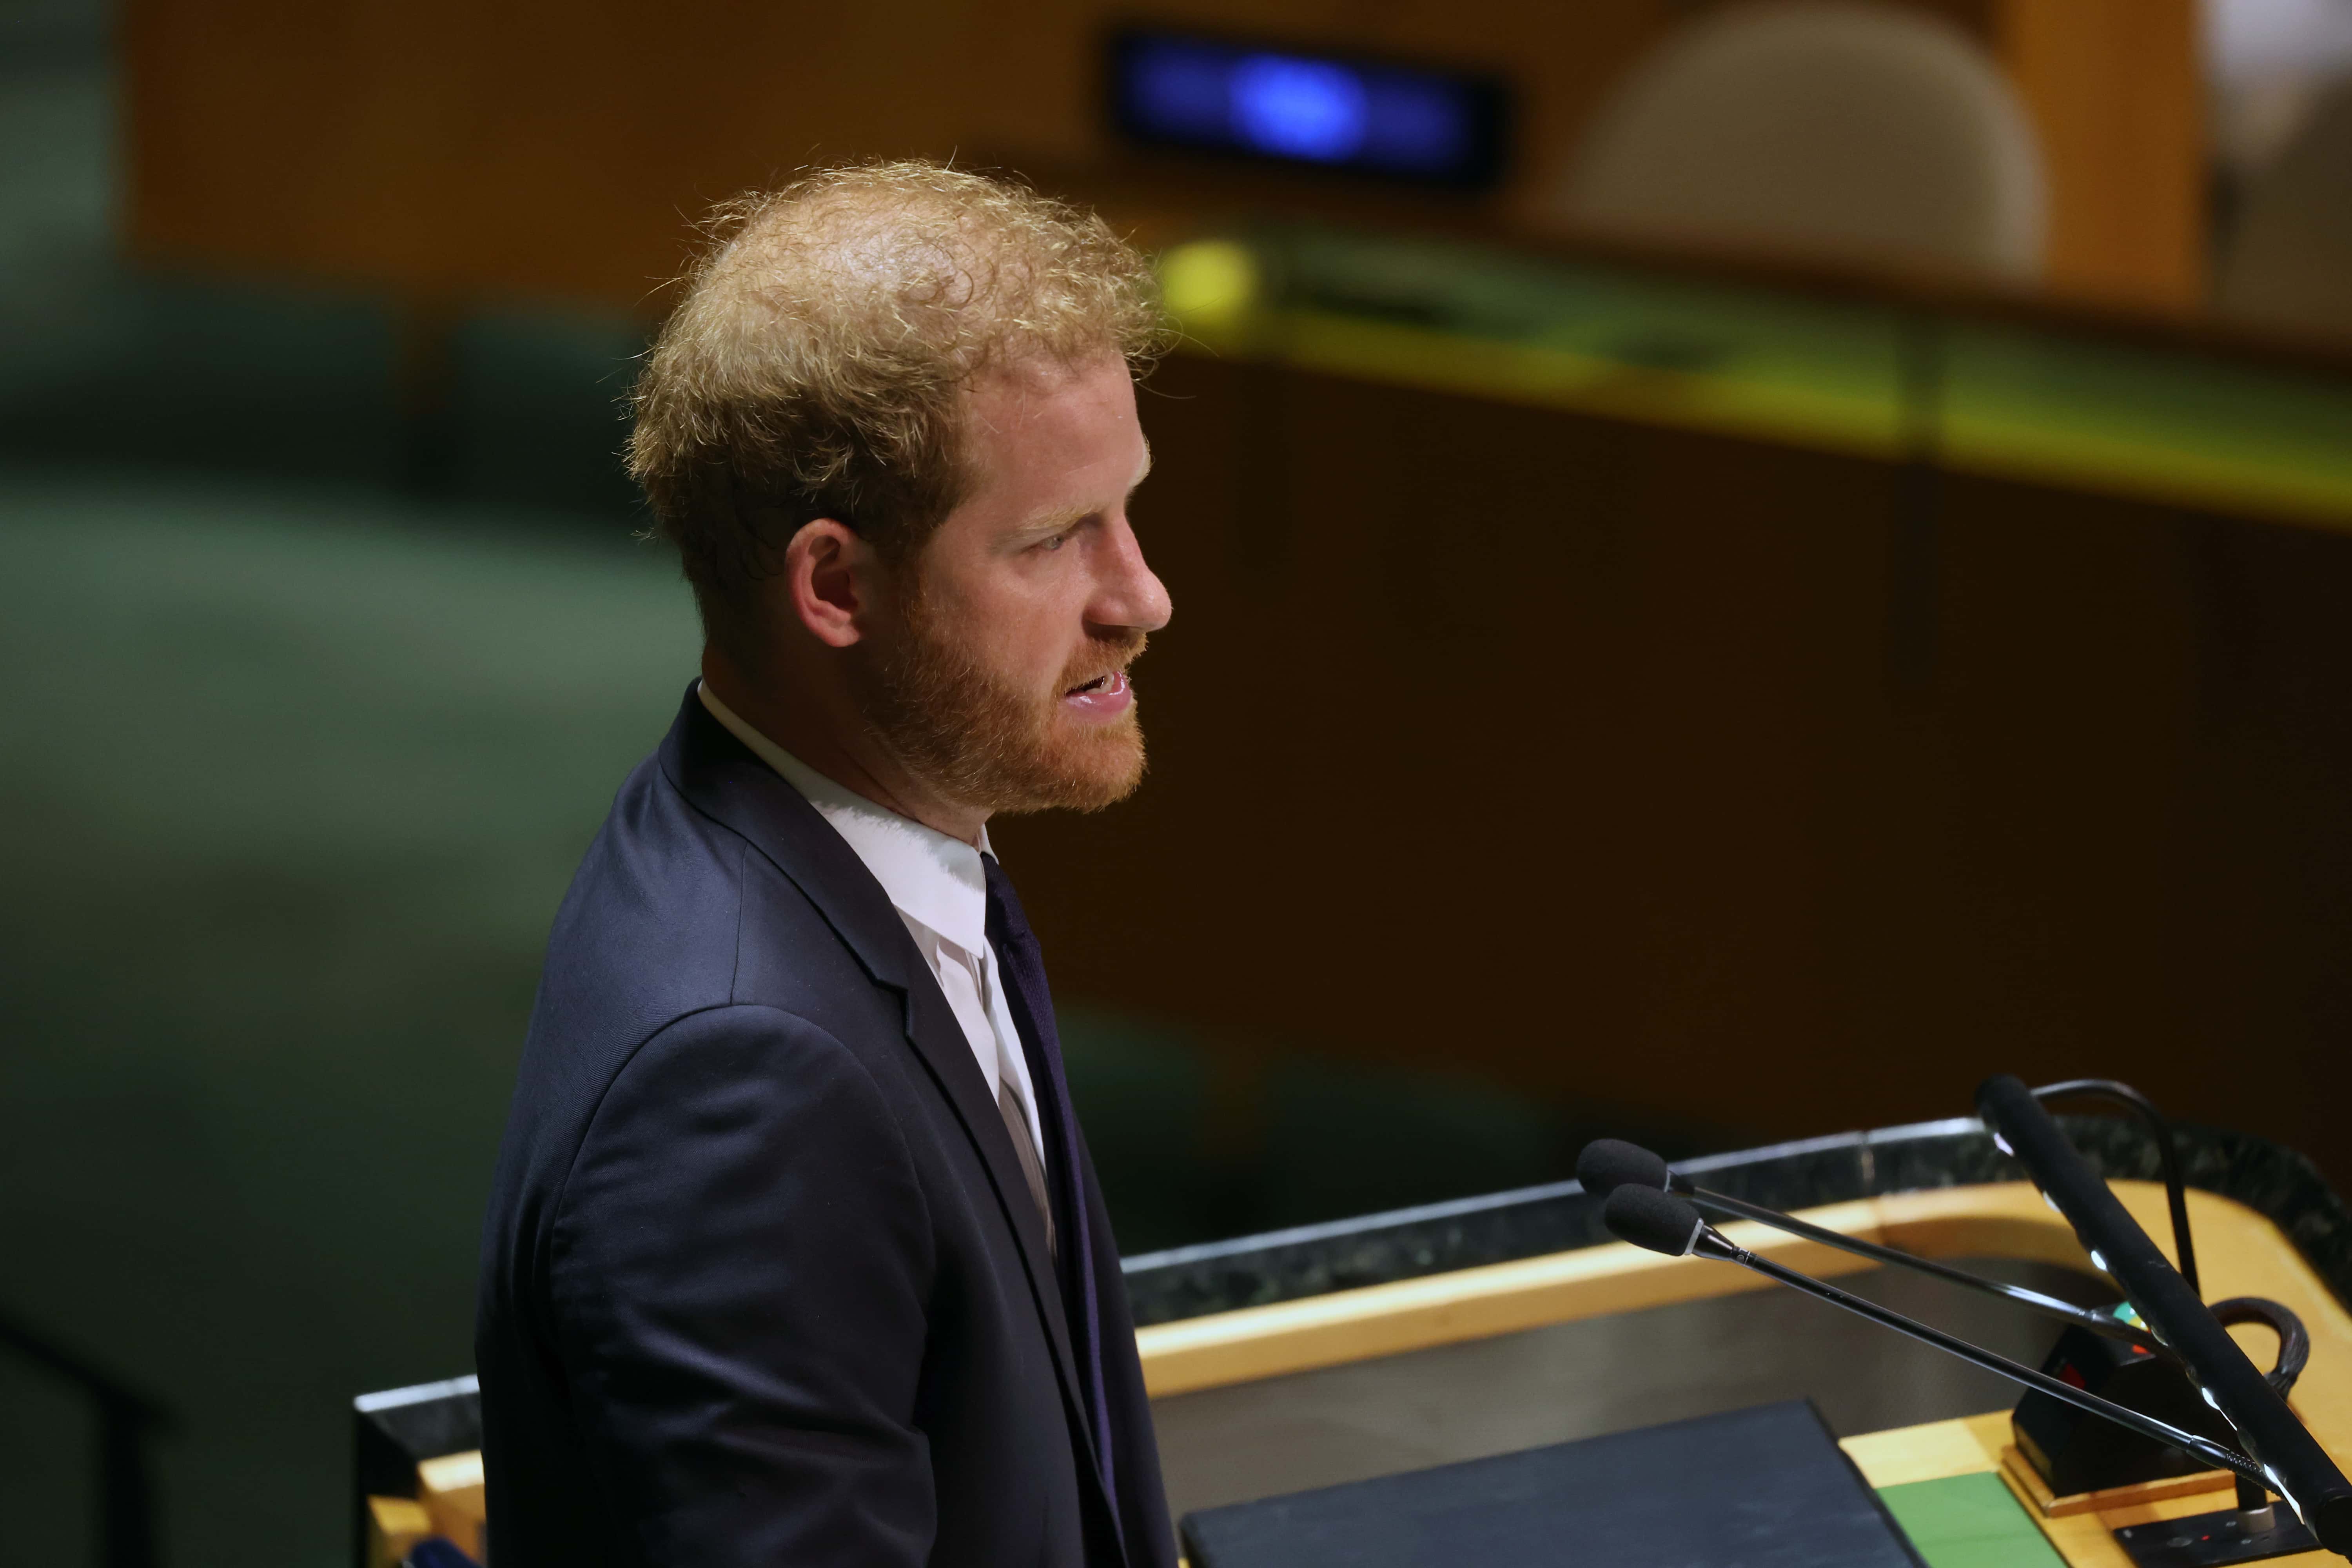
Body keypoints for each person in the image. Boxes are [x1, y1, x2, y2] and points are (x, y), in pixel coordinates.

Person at [474, 161, 1179, 1568]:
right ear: (837, 588)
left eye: (1127, 509)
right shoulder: (744, 1081)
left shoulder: (872, 842)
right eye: (1051, 541)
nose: (1142, 598)